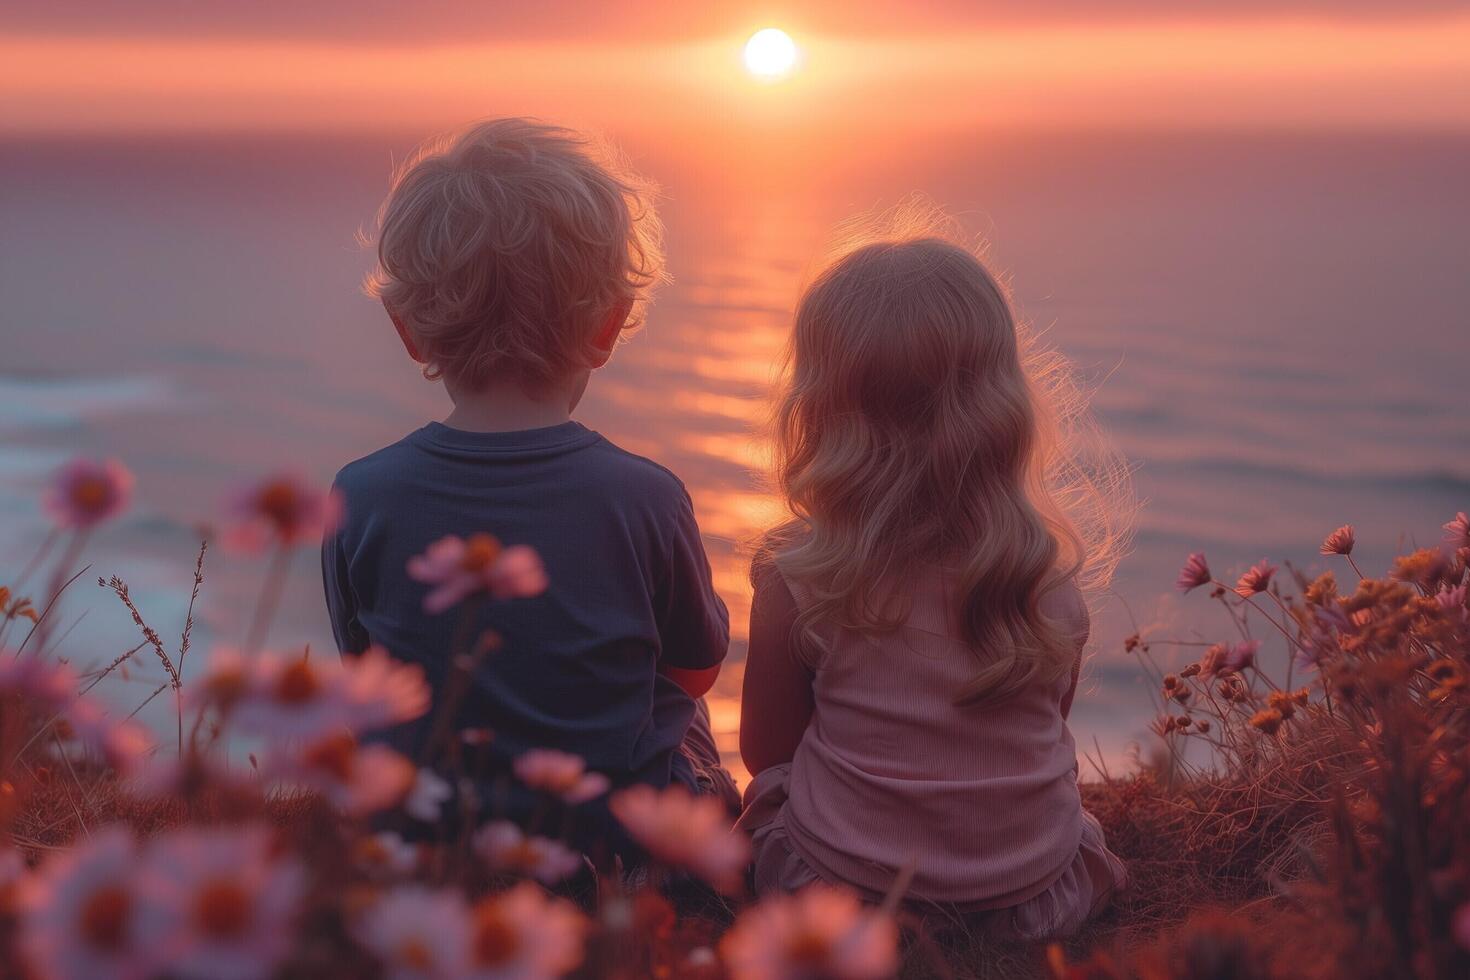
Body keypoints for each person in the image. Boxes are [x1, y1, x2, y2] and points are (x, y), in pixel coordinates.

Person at [322, 119, 739, 844]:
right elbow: (696, 671)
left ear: (407, 328)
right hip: (613, 848)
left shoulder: (360, 496)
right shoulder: (645, 497)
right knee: (690, 722)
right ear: (607, 325)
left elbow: (365, 672)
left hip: (426, 842)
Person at [737, 211, 1131, 939]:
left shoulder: (801, 576)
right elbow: (1047, 729)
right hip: (1027, 902)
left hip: (838, 899)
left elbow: (766, 753)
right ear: (1000, 404)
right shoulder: (1040, 574)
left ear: (820, 407)